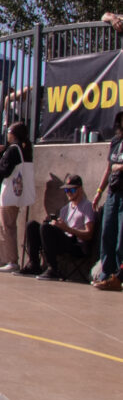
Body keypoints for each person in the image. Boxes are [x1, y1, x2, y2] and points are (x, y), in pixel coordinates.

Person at [21, 175, 95, 281]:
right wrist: (56, 225)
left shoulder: (87, 206)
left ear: (80, 189)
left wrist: (67, 229)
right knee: (32, 225)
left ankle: (53, 269)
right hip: (64, 239)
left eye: (72, 190)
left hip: (77, 245)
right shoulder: (65, 209)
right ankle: (34, 264)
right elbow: (61, 229)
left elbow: (89, 234)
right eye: (66, 190)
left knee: (46, 228)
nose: (68, 193)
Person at [0, 121, 35, 273]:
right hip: (9, 193)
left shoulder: (14, 149)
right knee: (2, 226)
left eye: (9, 132)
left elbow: (5, 169)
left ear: (13, 134)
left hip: (9, 193)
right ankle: (3, 258)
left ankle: (12, 260)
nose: (7, 134)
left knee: (7, 226)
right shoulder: (20, 148)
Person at [91, 110, 123, 291]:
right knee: (107, 234)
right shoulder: (116, 141)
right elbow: (109, 168)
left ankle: (119, 277)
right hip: (113, 192)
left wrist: (119, 166)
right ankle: (106, 274)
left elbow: (116, 166)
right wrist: (99, 191)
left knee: (121, 240)